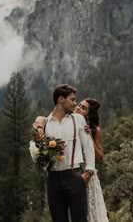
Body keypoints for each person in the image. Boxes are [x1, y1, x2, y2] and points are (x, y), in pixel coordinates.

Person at [31, 84, 95, 222]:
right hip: (53, 179)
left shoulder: (78, 120)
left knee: (80, 219)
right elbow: (39, 148)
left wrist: (89, 172)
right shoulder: (45, 123)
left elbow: (88, 146)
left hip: (74, 175)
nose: (75, 103)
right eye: (72, 100)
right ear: (61, 99)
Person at [75, 98, 109, 222]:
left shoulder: (96, 131)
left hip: (88, 176)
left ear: (88, 116)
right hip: (72, 174)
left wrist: (89, 137)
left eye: (83, 108)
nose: (78, 107)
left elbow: (100, 158)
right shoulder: (70, 124)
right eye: (78, 105)